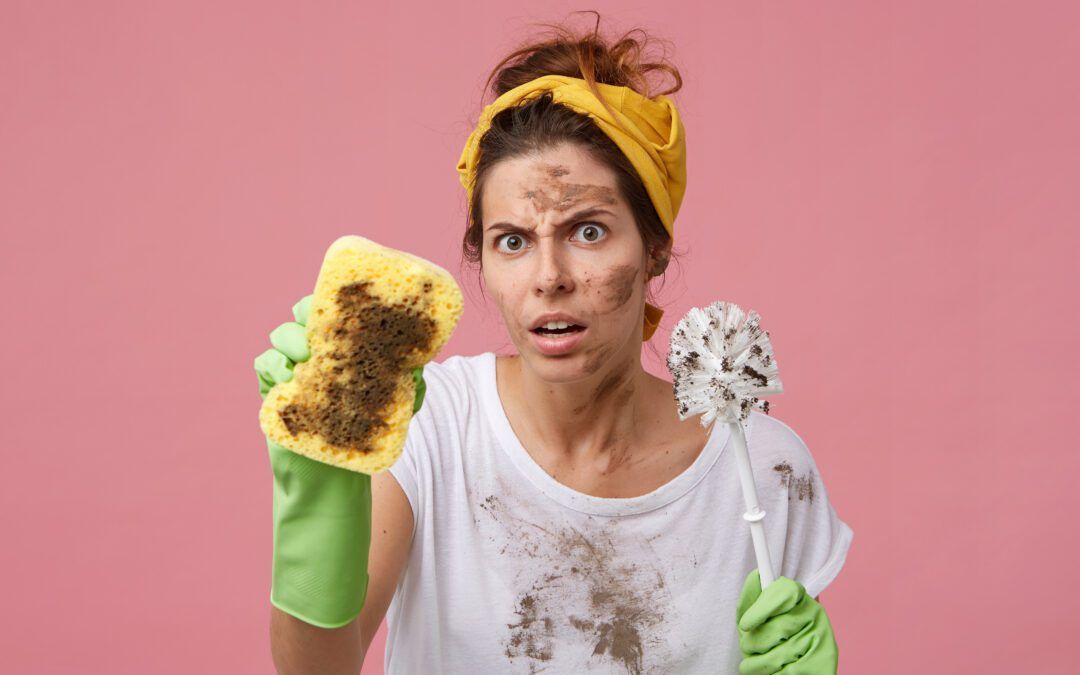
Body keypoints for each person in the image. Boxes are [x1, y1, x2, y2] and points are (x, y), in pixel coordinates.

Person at [259, 15, 853, 675]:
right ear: (481, 259)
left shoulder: (763, 468)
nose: (549, 277)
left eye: (589, 231)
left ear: (654, 247)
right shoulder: (434, 427)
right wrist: (317, 505)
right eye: (512, 241)